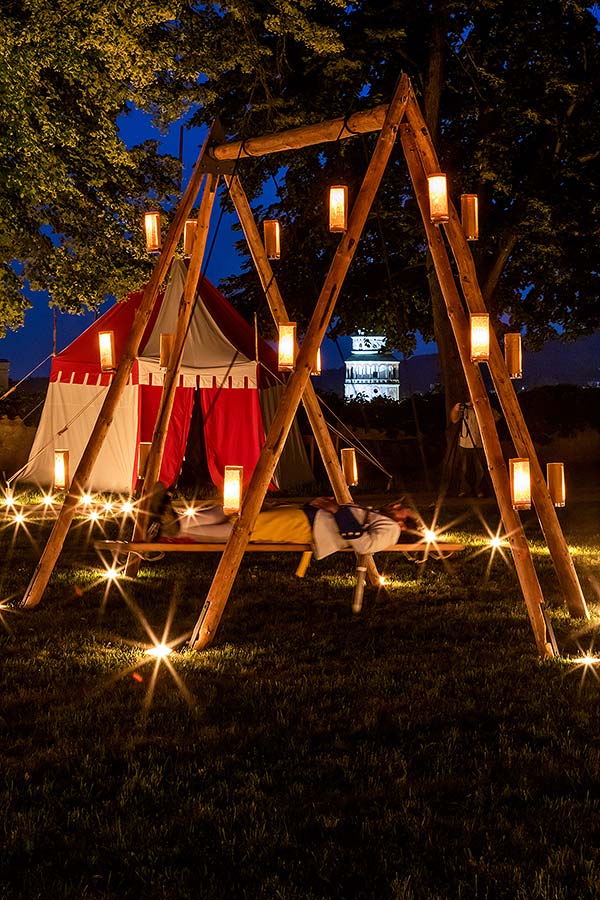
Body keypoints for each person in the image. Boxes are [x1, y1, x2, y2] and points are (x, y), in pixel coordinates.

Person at [148, 484, 422, 560]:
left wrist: (337, 509)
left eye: (402, 512)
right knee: (235, 509)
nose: (396, 507)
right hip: (307, 518)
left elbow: (364, 545)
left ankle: (179, 528)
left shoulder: (390, 531)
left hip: (308, 527)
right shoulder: (385, 519)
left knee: (245, 527)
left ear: (403, 526)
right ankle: (174, 518)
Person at [450, 400, 488, 497]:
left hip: (479, 443)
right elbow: (454, 419)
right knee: (465, 469)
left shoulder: (483, 406)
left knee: (481, 469)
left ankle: (480, 490)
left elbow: (495, 417)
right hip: (465, 443)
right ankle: (465, 489)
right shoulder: (463, 408)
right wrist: (456, 409)